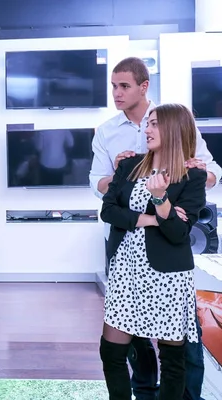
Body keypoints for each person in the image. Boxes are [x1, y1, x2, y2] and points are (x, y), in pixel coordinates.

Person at [89, 57, 221, 400]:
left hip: (166, 273)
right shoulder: (118, 146)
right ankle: (143, 392)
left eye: (124, 86)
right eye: (113, 85)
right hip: (125, 266)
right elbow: (106, 203)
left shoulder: (188, 162)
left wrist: (186, 181)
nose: (116, 93)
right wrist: (150, 214)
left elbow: (208, 179)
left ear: (143, 86)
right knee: (122, 348)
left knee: (177, 354)